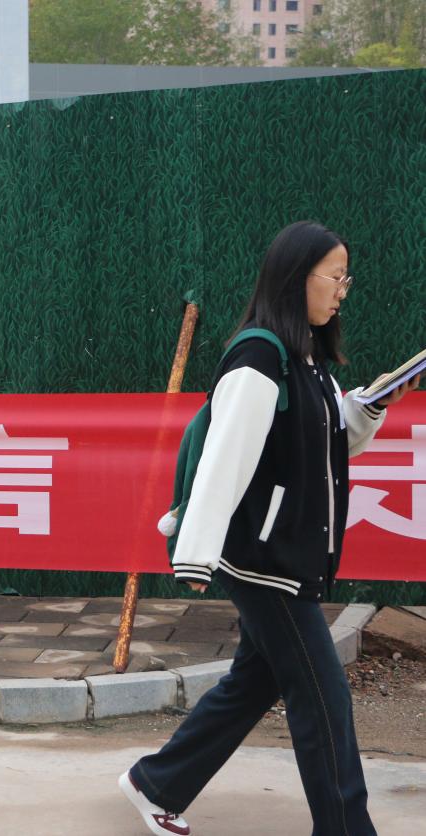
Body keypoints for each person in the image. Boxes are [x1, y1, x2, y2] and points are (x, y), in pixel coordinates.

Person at [118, 221, 421, 836]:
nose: (342, 291)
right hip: (265, 562)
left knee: (255, 683)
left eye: (346, 279)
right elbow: (223, 456)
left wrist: (373, 403)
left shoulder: (306, 360)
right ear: (296, 278)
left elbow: (324, 440)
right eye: (334, 277)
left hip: (288, 555)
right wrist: (195, 553)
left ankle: (157, 783)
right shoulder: (259, 357)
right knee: (324, 699)